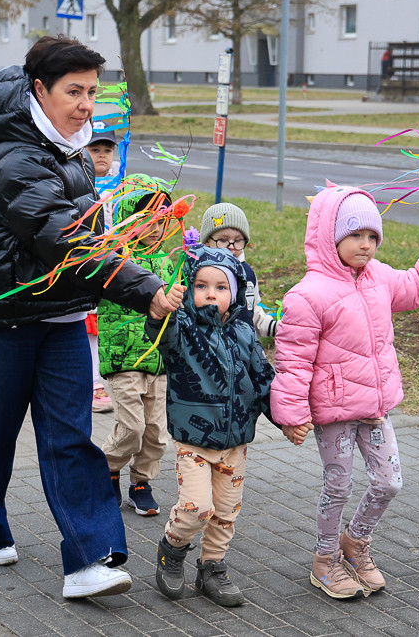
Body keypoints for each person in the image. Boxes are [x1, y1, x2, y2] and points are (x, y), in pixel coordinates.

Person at [0, 35, 184, 599]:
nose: (85, 104)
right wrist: (145, 290)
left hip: (58, 319)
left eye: (92, 92)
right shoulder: (16, 155)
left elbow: (89, 240)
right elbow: (67, 242)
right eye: (72, 91)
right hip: (0, 319)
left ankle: (89, 560)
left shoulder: (69, 146)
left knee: (70, 439)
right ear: (39, 91)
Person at [271, 185, 419, 600]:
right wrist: (291, 415)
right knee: (339, 486)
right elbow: (293, 361)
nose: (365, 245)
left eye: (372, 237)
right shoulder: (307, 296)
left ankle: (355, 541)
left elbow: (417, 286)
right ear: (331, 236)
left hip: (375, 408)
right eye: (355, 235)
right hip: (334, 413)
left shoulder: (379, 276)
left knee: (389, 482)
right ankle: (325, 560)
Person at [147, 246, 275, 608]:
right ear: (190, 289)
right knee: (196, 507)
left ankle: (211, 568)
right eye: (202, 285)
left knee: (225, 511)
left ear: (233, 293)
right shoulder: (183, 328)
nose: (210, 294)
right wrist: (165, 311)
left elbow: (264, 380)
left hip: (235, 442)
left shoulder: (244, 333)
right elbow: (161, 336)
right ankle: (172, 550)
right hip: (194, 439)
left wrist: (287, 420)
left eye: (221, 287)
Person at [99, 184, 176, 516]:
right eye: (146, 219)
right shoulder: (114, 259)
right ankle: (107, 468)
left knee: (157, 434)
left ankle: (141, 481)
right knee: (132, 428)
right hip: (123, 358)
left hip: (158, 361)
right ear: (127, 219)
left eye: (161, 221)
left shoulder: (167, 261)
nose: (155, 228)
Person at [200, 202, 278, 338]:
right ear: (207, 241)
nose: (231, 246)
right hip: (208, 350)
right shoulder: (198, 274)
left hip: (243, 350)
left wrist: (274, 327)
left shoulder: (247, 274)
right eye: (223, 240)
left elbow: (251, 312)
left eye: (238, 240)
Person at [86, 122, 119, 412]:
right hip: (81, 263)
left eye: (107, 149)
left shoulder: (119, 187)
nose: (101, 155)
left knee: (98, 324)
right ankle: (92, 381)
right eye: (94, 149)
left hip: (110, 263)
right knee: (86, 325)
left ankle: (98, 377)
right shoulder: (75, 181)